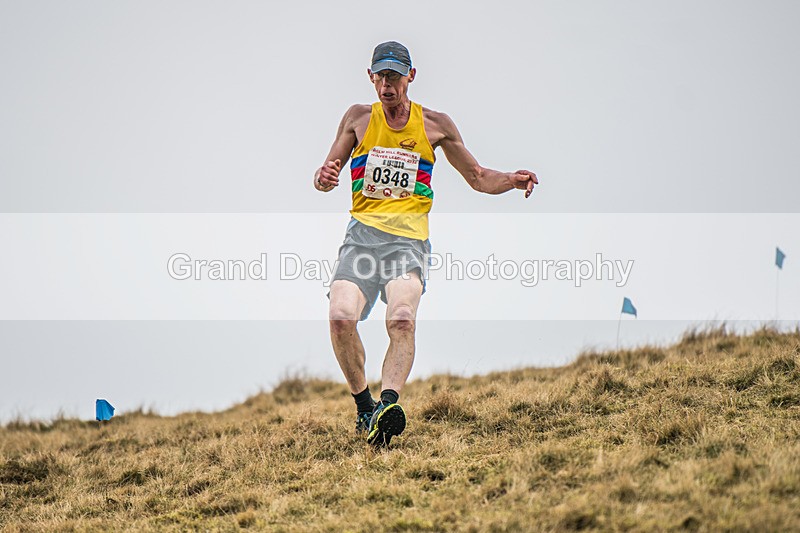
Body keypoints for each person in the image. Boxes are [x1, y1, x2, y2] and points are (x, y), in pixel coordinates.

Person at [313, 41, 538, 447]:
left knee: (401, 318)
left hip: (408, 242)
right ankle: (365, 407)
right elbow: (328, 172)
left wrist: (511, 180)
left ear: (411, 77)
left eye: (395, 77)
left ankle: (386, 408)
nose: (387, 85)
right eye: (381, 77)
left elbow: (477, 177)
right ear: (370, 77)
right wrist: (324, 177)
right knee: (340, 318)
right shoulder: (358, 119)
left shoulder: (435, 125)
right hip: (361, 238)